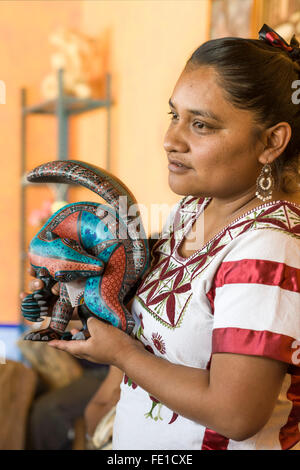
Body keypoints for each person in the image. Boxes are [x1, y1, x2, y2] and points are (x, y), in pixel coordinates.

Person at [23, 24, 300, 450]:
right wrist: (75, 298)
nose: (171, 140)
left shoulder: (268, 248)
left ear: (271, 141)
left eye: (202, 125)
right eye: (175, 115)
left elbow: (235, 413)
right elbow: (148, 322)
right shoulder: (192, 211)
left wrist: (120, 355)